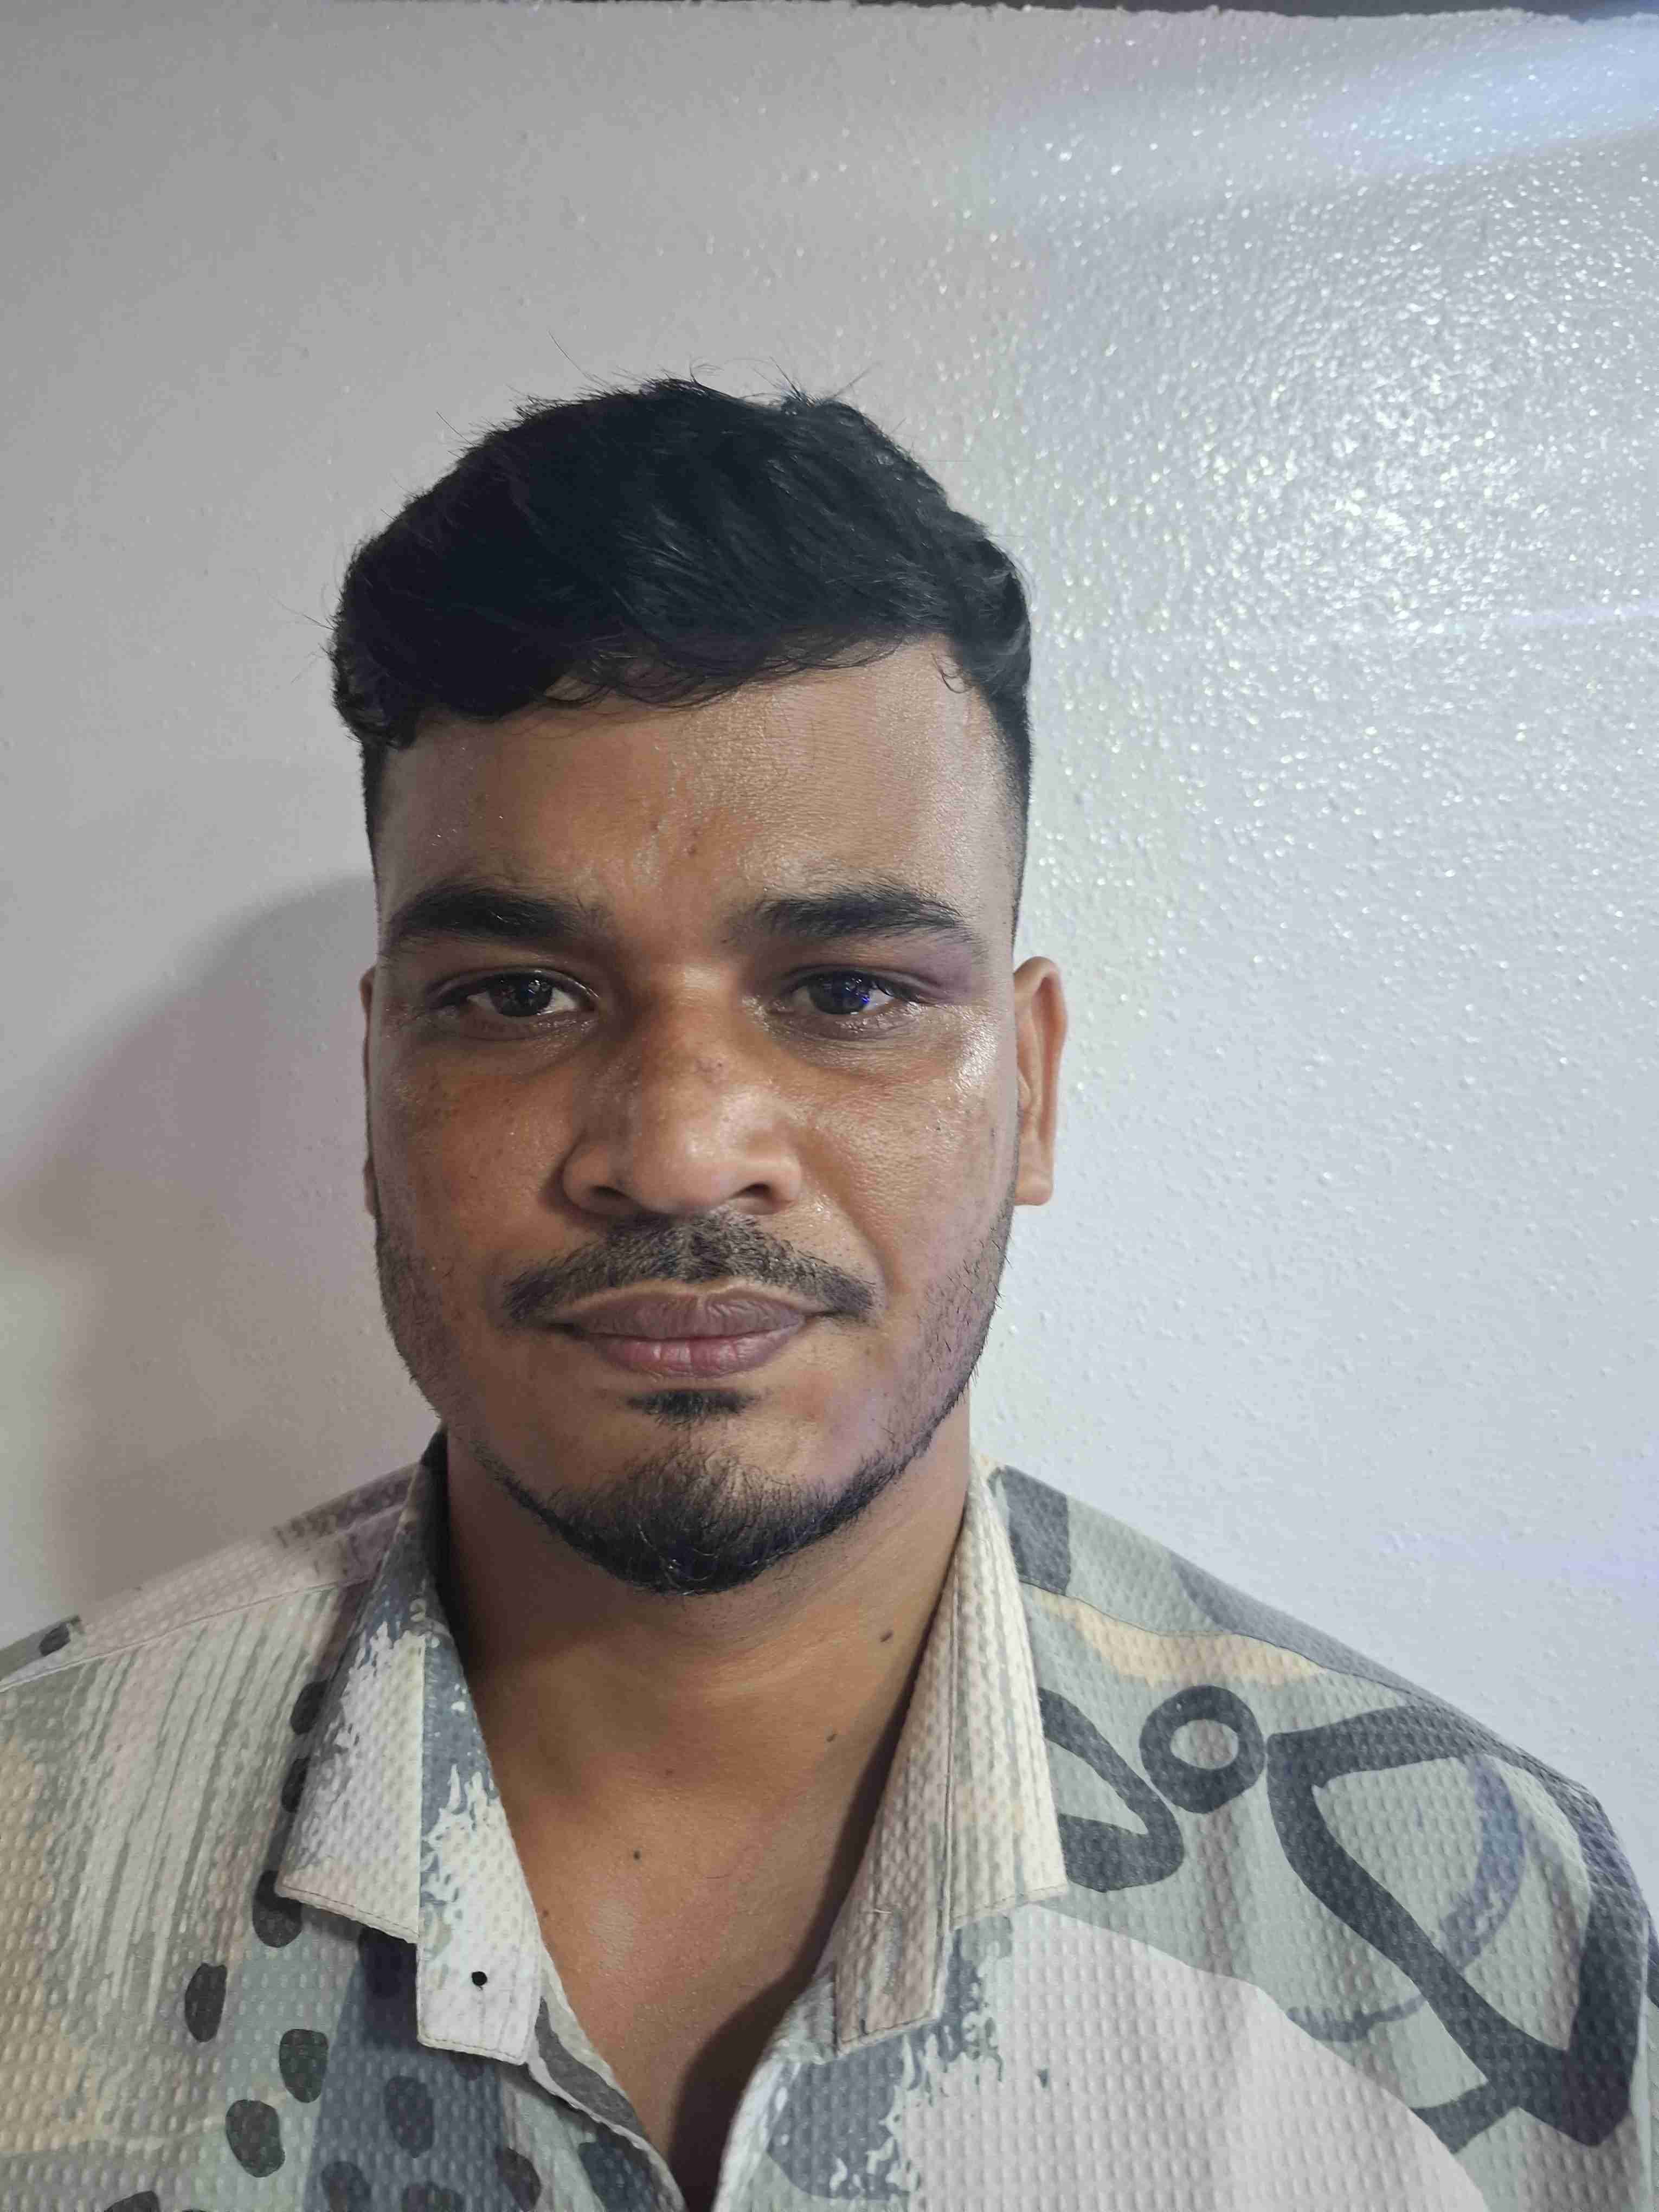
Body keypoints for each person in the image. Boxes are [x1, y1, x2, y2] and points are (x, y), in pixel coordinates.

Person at [0, 376, 1651, 2212]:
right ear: (377, 1080)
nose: (679, 1152)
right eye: (519, 997)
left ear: (1030, 1087)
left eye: (849, 992)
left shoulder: (1485, 1934)